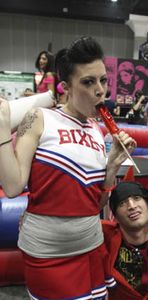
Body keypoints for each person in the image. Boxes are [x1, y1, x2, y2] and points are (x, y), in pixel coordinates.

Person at [0, 36, 136, 300]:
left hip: (92, 248)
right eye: (88, 82)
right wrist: (2, 126)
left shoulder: (97, 130)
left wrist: (111, 167)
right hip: (48, 255)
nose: (101, 91)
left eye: (103, 80)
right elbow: (13, 186)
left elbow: (96, 204)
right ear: (65, 87)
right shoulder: (39, 118)